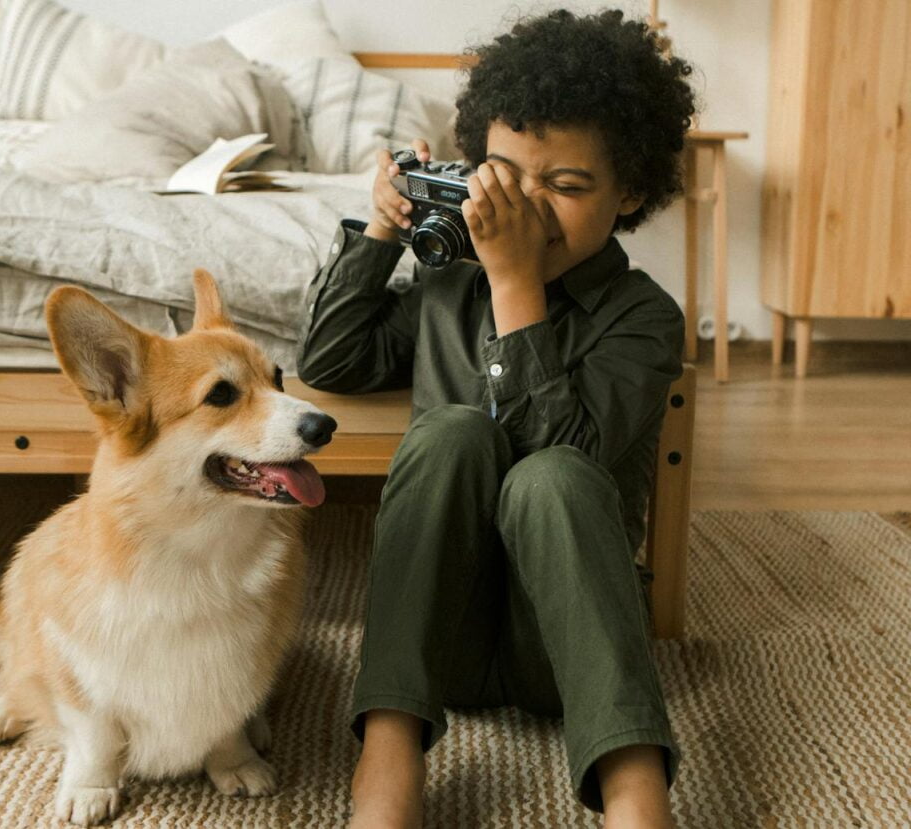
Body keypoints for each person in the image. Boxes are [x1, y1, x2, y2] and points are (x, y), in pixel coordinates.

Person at [296, 8, 696, 827]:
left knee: (550, 473)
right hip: (436, 641)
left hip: (566, 646)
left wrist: (515, 287)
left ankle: (634, 786)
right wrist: (382, 228)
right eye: (505, 175)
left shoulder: (644, 318)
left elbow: (569, 458)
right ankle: (389, 746)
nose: (527, 205)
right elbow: (331, 362)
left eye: (567, 185)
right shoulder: (450, 287)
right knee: (451, 431)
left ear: (633, 191)